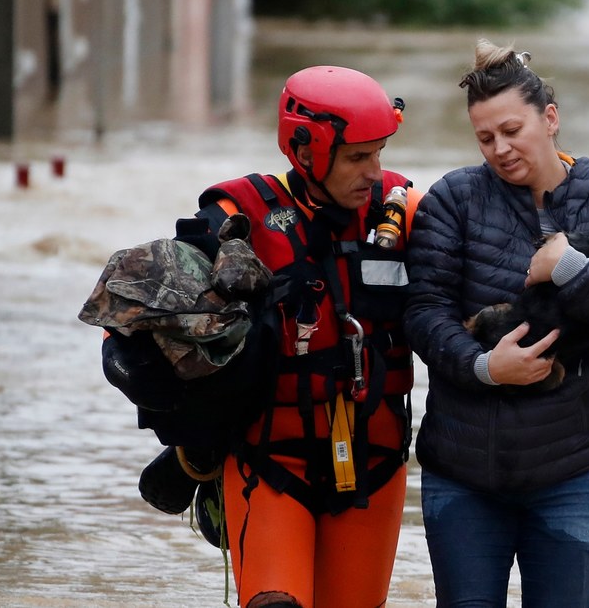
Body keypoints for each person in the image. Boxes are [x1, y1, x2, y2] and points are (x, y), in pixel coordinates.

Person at [404, 39, 589, 606]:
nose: (501, 149)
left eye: (512, 130)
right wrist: (485, 367)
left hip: (576, 473)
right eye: (485, 138)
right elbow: (422, 312)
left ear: (550, 118)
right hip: (462, 474)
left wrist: (574, 269)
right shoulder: (452, 201)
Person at [172, 65, 418, 607]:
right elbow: (152, 317)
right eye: (358, 157)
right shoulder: (235, 217)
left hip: (373, 466)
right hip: (270, 461)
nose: (374, 172)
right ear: (306, 150)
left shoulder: (403, 210)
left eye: (379, 153)